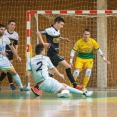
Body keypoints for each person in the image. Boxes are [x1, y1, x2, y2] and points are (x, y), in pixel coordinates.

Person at [30, 16, 84, 95]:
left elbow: (56, 36)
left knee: (51, 73)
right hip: (53, 53)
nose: (62, 26)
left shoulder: (56, 31)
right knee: (68, 66)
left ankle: (36, 87)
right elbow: (38, 32)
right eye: (61, 25)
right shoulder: (49, 30)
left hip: (53, 54)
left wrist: (63, 38)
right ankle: (75, 85)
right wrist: (43, 43)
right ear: (57, 23)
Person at [26, 44, 93, 97]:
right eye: (44, 51)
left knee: (64, 85)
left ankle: (83, 93)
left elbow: (27, 74)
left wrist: (26, 85)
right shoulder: (46, 58)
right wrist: (60, 74)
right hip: (47, 81)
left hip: (41, 85)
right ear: (42, 51)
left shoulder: (30, 60)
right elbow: (54, 69)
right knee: (65, 90)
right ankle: (64, 94)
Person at [0, 24, 29, 91]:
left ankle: (21, 87)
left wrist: (17, 56)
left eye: (4, 30)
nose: (3, 31)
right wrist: (1, 52)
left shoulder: (5, 38)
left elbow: (12, 48)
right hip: (2, 55)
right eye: (1, 29)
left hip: (3, 59)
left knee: (14, 72)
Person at [0, 20, 19, 90]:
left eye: (14, 25)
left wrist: (16, 51)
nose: (13, 26)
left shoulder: (16, 34)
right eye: (12, 24)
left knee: (7, 70)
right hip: (3, 53)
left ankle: (9, 83)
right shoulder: (3, 32)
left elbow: (16, 44)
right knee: (7, 69)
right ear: (8, 25)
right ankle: (11, 84)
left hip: (10, 54)